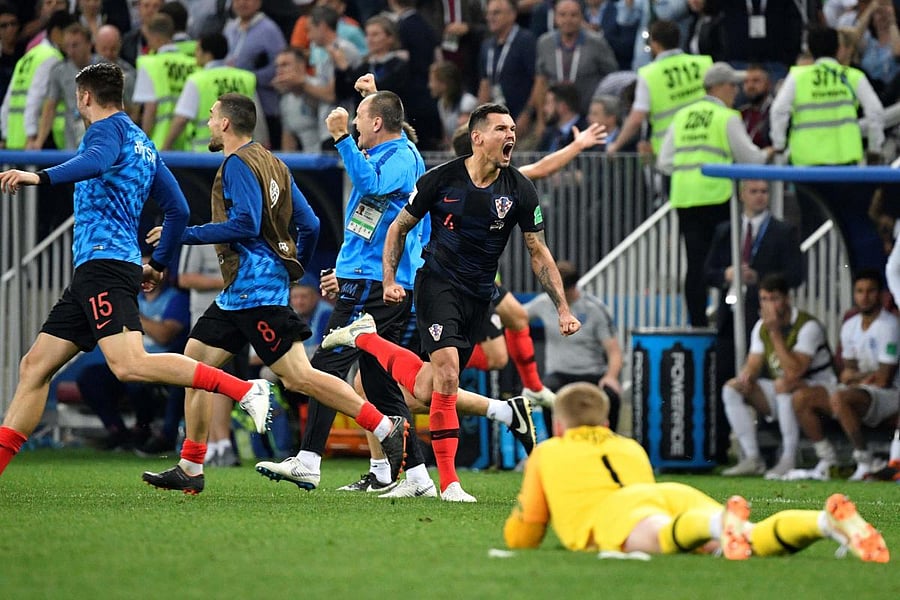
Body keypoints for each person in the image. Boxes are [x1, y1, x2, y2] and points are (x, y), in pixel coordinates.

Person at [0, 63, 275, 479]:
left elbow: (95, 161)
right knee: (34, 366)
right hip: (104, 267)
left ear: (85, 97)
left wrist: (39, 177)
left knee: (129, 365)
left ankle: (244, 389)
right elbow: (179, 209)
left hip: (103, 264)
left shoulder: (103, 132)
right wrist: (159, 264)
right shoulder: (143, 141)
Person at [140, 92, 409, 495]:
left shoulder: (236, 164)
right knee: (194, 367)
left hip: (255, 291)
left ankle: (384, 426)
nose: (209, 124)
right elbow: (311, 223)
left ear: (227, 124)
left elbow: (246, 224)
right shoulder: (275, 163)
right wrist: (288, 259)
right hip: (242, 292)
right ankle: (191, 465)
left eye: (212, 116)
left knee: (301, 377)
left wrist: (185, 234)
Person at [321, 103, 581, 502]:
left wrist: (562, 307)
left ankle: (365, 338)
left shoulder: (518, 189)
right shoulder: (440, 180)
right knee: (446, 375)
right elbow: (398, 227)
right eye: (500, 129)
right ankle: (450, 483)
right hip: (437, 285)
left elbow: (538, 251)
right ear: (477, 138)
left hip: (479, 295)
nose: (510, 135)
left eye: (512, 128)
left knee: (430, 388)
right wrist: (389, 279)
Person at [503, 381, 889, 564]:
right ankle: (825, 523)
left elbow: (527, 531)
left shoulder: (549, 451)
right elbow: (643, 494)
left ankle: (717, 524)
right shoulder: (629, 446)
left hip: (618, 515)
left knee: (674, 532)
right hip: (671, 497)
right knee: (750, 537)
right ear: (606, 420)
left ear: (560, 425)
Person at [657, 62, 772, 328]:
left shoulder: (682, 116)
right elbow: (750, 158)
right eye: (732, 85)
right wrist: (767, 153)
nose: (736, 90)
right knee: (723, 263)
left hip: (685, 197)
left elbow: (664, 161)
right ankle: (724, 321)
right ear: (719, 87)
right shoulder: (727, 117)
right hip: (717, 197)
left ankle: (696, 324)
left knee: (695, 264)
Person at [703, 179, 803, 462]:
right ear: (742, 195)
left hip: (763, 317)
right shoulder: (727, 230)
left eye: (764, 192)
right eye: (754, 192)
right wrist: (728, 274)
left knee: (765, 379)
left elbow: (795, 275)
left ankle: (774, 448)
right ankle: (721, 450)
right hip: (729, 318)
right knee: (726, 378)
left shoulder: (784, 231)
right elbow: (707, 272)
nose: (760, 197)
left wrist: (759, 278)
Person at [720, 274, 837, 479]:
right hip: (785, 392)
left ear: (787, 299)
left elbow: (794, 371)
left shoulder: (807, 326)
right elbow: (754, 363)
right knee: (732, 388)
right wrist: (746, 376)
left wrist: (775, 333)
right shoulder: (761, 327)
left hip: (818, 390)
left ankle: (788, 458)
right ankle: (753, 458)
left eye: (774, 298)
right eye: (764, 299)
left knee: (785, 384)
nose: (769, 305)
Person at [793, 269, 899, 480]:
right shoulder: (850, 325)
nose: (864, 296)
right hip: (862, 391)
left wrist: (857, 377)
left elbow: (883, 378)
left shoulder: (890, 325)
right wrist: (860, 376)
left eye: (870, 291)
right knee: (801, 398)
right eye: (859, 291)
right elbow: (846, 373)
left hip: (890, 394)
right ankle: (828, 460)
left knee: (840, 398)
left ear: (881, 294)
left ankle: (865, 459)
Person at [77, 272, 190, 453]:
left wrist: (131, 314)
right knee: (91, 377)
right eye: (141, 268)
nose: (145, 274)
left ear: (164, 273)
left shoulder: (177, 299)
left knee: (139, 378)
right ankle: (118, 431)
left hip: (162, 365)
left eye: (151, 268)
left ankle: (154, 433)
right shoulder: (131, 298)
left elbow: (163, 335)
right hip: (130, 363)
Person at [524, 261, 623, 431]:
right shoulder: (543, 303)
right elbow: (516, 316)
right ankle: (555, 442)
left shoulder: (594, 309)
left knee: (612, 397)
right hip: (559, 374)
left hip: (592, 374)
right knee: (545, 393)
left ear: (573, 287)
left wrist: (611, 377)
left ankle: (608, 441)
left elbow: (614, 351)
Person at [769, 24, 885, 166]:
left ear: (810, 50)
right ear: (838, 49)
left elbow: (778, 111)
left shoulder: (797, 77)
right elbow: (875, 112)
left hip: (805, 163)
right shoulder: (853, 76)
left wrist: (779, 146)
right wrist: (874, 149)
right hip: (846, 162)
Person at [177, 243, 241, 467]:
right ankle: (215, 443)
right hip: (207, 318)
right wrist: (226, 281)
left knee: (219, 377)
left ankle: (218, 443)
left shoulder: (244, 232)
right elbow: (184, 278)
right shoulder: (200, 236)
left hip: (242, 313)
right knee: (206, 376)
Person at [606, 19, 711, 155]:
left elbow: (637, 118)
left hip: (670, 149)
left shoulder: (649, 74)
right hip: (707, 140)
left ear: (654, 44)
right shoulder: (704, 63)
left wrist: (615, 145)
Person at [531, 0, 617, 135]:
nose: (568, 20)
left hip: (588, 117)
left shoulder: (597, 43)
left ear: (582, 17)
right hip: (556, 118)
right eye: (563, 15)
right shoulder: (544, 43)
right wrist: (541, 120)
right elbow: (541, 81)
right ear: (555, 18)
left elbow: (612, 78)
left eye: (573, 15)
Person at [163, 32, 257, 151]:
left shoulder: (197, 80)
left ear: (207, 54)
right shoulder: (246, 78)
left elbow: (181, 120)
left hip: (205, 155)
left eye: (197, 49)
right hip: (240, 151)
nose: (195, 54)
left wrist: (165, 148)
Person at [0, 9, 74, 150]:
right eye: (68, 34)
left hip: (13, 138)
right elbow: (35, 97)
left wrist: (4, 135)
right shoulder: (51, 57)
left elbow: (8, 101)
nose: (70, 41)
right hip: (32, 141)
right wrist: (32, 135)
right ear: (57, 32)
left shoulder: (28, 56)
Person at [132, 13, 197, 150]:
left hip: (160, 142)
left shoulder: (149, 64)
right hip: (189, 143)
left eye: (148, 38)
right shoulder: (193, 63)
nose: (148, 43)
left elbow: (151, 107)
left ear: (155, 37)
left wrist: (142, 141)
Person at [477, 0, 537, 137]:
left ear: (512, 15)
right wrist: (478, 119)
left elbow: (538, 81)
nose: (490, 17)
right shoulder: (486, 46)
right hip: (497, 123)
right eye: (488, 13)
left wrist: (527, 114)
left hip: (522, 120)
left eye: (496, 13)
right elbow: (485, 83)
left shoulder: (525, 41)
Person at [34, 23, 94, 150]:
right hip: (72, 142)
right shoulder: (60, 71)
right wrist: (39, 141)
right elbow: (50, 107)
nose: (71, 51)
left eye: (75, 45)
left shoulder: (105, 68)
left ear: (89, 44)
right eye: (67, 46)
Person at [537, 82, 588, 153]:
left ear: (563, 106)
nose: (545, 109)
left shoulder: (585, 131)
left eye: (548, 103)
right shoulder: (549, 134)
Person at [738, 63, 773, 148]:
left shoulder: (775, 112)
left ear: (768, 84)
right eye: (746, 82)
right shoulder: (741, 113)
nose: (750, 86)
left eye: (756, 81)